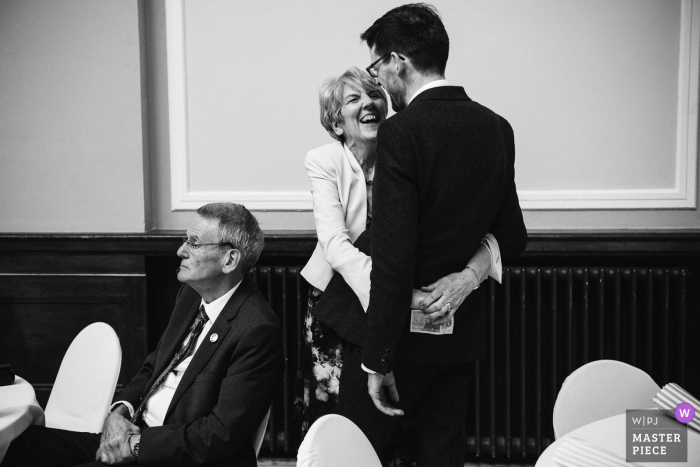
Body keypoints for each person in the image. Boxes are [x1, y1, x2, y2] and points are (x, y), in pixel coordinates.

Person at [336, 4, 528, 466]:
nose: (380, 79)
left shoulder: (402, 131)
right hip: (456, 335)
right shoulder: (497, 128)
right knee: (442, 453)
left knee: (361, 453)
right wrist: (468, 278)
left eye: (378, 66)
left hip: (398, 337)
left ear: (399, 60)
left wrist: (377, 359)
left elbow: (394, 254)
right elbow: (513, 235)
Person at [294, 67, 504, 463]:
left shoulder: (407, 145)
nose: (369, 102)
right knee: (346, 420)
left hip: (413, 308)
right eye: (353, 100)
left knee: (406, 423)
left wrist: (463, 278)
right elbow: (335, 244)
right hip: (343, 299)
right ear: (337, 122)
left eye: (374, 93)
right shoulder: (324, 159)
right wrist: (392, 295)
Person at [4, 203, 284, 467]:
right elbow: (154, 365)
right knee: (19, 446)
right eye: (185, 240)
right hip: (136, 433)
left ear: (230, 259)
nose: (180, 251)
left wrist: (137, 445)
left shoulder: (256, 329)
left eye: (193, 243)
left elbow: (219, 434)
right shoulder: (190, 296)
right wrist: (119, 413)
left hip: (175, 456)